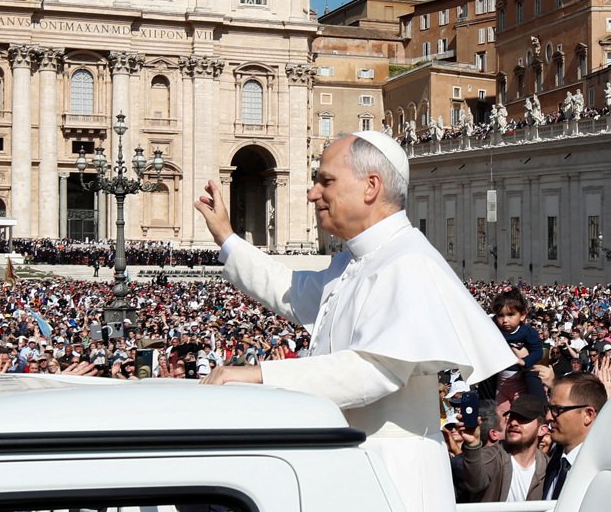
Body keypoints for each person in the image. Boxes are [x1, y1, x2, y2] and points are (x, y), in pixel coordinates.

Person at [195, 131, 514, 512]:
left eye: (326, 181)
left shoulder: (408, 262)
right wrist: (228, 238)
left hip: (396, 478)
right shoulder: (352, 260)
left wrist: (258, 375)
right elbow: (292, 291)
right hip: (357, 468)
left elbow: (374, 369)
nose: (312, 194)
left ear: (370, 186)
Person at [460, 394, 549, 502]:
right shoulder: (492, 456)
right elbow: (475, 484)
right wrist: (473, 445)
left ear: (542, 430)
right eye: (511, 417)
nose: (513, 423)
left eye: (522, 419)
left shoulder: (549, 467)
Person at [542, 372, 605, 500]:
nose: (548, 417)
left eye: (557, 409)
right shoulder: (555, 464)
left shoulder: (603, 473)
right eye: (549, 409)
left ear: (588, 415)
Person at [490, 287, 547, 404]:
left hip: (520, 381)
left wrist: (524, 361)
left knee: (519, 408)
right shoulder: (494, 332)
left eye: (511, 315)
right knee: (500, 412)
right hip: (501, 382)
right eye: (500, 315)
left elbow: (538, 352)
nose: (505, 320)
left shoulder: (528, 332)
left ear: (522, 315)